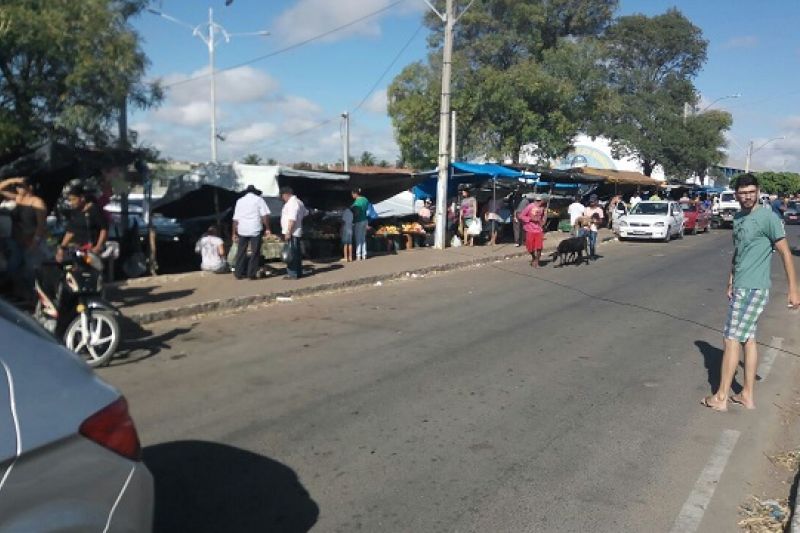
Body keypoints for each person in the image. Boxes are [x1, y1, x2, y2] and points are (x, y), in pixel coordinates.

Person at [702, 174, 799, 412]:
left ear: (758, 191)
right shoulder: (739, 218)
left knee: (731, 338)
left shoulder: (768, 218)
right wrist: (731, 280)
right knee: (748, 339)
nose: (747, 196)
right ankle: (746, 395)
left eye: (751, 192)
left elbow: (785, 253)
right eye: (743, 192)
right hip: (741, 285)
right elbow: (740, 252)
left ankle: (721, 397)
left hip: (753, 288)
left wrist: (794, 290)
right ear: (736, 194)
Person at [0, 177, 47, 279]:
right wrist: (12, 180)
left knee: (32, 270)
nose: (18, 189)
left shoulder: (37, 202)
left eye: (21, 186)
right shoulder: (18, 198)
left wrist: (35, 243)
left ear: (30, 187)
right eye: (17, 187)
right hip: (18, 240)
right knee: (16, 267)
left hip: (32, 242)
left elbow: (41, 225)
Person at [58, 184, 108, 261]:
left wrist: (98, 246)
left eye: (74, 199)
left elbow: (104, 229)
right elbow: (70, 231)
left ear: (82, 198)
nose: (71, 202)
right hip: (78, 249)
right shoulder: (75, 212)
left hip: (91, 250)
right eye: (70, 200)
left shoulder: (94, 210)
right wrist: (62, 248)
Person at [232, 184, 270, 280]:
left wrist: (234, 233)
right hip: (255, 229)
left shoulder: (240, 201)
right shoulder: (259, 200)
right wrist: (268, 228)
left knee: (241, 251)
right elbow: (264, 216)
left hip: (242, 229)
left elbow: (235, 219)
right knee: (255, 252)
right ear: (255, 192)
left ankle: (238, 273)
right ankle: (251, 273)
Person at [280, 186, 307, 279]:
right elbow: (305, 213)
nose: (282, 198)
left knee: (291, 254)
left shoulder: (292, 203)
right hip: (296, 231)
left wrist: (288, 232)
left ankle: (293, 273)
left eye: (282, 196)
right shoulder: (299, 202)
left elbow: (292, 219)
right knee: (296, 253)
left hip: (292, 232)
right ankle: (298, 272)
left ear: (286, 194)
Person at [518, 195, 546, 267]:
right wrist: (531, 219)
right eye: (540, 201)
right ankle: (533, 257)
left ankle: (537, 261)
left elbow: (542, 217)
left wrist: (542, 221)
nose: (541, 203)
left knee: (539, 247)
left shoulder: (542, 208)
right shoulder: (530, 206)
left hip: (539, 230)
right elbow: (521, 216)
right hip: (530, 229)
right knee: (530, 247)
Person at [351, 188, 370, 260]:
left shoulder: (357, 202)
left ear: (355, 193)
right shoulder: (365, 199)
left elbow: (356, 212)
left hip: (358, 221)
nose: (352, 195)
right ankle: (364, 255)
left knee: (358, 239)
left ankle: (358, 255)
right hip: (365, 220)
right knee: (363, 238)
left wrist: (353, 217)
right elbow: (367, 209)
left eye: (352, 194)